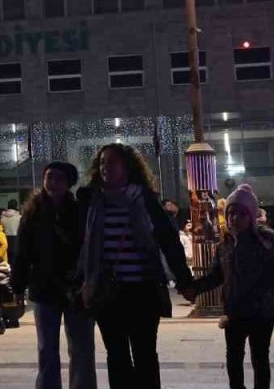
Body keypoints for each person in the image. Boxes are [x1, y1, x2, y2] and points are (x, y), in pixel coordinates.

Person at [76, 143, 192, 389]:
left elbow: (168, 241)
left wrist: (184, 278)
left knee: (145, 354)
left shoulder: (145, 200)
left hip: (143, 290)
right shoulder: (91, 201)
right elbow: (79, 245)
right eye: (103, 162)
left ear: (127, 167)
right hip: (107, 293)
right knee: (116, 355)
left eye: (112, 162)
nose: (106, 167)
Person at [185, 185, 274, 389]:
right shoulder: (226, 243)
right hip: (234, 311)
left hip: (261, 312)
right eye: (231, 213)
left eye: (241, 213)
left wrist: (262, 293)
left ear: (251, 215)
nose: (235, 218)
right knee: (233, 360)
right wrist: (194, 288)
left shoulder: (266, 241)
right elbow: (216, 275)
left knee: (260, 359)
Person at [12, 162, 95, 389]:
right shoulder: (32, 214)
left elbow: (89, 248)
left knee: (81, 348)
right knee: (46, 348)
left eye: (59, 178)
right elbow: (22, 254)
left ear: (68, 182)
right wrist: (17, 287)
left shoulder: (80, 211)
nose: (53, 182)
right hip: (44, 288)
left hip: (77, 288)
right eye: (49, 177)